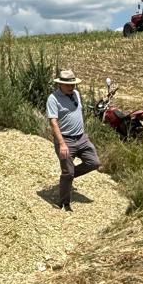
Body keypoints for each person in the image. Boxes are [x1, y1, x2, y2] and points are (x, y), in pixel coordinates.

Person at [47, 67, 100, 212]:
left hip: (81, 138)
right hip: (66, 140)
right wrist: (62, 144)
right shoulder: (53, 99)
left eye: (73, 84)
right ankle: (64, 203)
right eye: (68, 85)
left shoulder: (76, 94)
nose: (72, 87)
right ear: (60, 84)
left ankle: (67, 178)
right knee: (68, 173)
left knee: (94, 163)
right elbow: (53, 122)